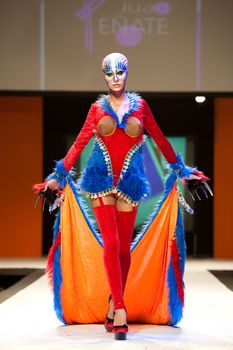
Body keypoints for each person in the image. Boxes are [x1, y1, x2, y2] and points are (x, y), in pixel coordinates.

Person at [43, 52, 207, 340]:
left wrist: (182, 170)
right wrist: (58, 175)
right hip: (100, 179)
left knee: (122, 250)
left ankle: (110, 303)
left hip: (131, 182)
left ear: (127, 73)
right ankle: (120, 309)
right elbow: (81, 141)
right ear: (103, 76)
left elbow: (159, 138)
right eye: (109, 73)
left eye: (119, 72)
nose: (115, 78)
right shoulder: (96, 109)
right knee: (112, 242)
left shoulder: (141, 106)